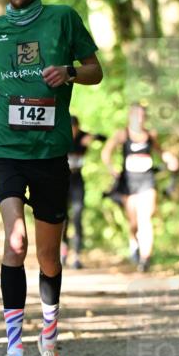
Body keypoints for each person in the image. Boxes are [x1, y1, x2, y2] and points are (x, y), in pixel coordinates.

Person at [0, 0, 103, 356]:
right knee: (16, 240)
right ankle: (13, 353)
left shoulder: (63, 18)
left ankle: (49, 346)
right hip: (5, 148)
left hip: (49, 151)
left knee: (48, 255)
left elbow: (95, 70)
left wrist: (68, 72)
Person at [101, 103, 179, 272]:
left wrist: (170, 159)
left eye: (143, 116)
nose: (140, 119)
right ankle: (134, 242)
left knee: (146, 218)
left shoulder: (150, 135)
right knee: (134, 222)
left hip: (147, 181)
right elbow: (106, 152)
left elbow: (161, 152)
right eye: (137, 116)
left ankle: (145, 259)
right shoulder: (122, 134)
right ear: (131, 117)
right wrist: (112, 170)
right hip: (129, 184)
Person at [61, 116, 106, 270]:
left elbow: (104, 138)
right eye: (70, 129)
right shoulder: (60, 135)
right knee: (62, 218)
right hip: (62, 181)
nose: (73, 133)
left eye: (75, 129)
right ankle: (63, 252)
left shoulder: (82, 136)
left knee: (78, 216)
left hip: (77, 181)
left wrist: (92, 137)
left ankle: (77, 255)